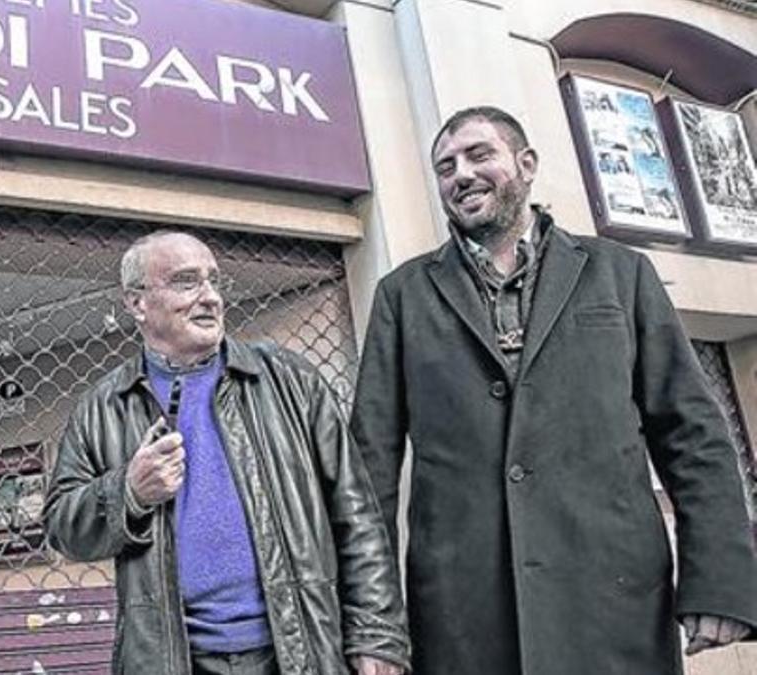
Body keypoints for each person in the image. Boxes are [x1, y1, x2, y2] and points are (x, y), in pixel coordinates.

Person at [350, 106, 757, 675]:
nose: (460, 174)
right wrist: (374, 625)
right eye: (445, 166)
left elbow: (694, 435)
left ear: (526, 164)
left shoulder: (622, 274)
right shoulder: (402, 296)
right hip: (464, 619)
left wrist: (719, 580)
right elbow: (368, 470)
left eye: (478, 154)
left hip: (617, 608)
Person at [45, 231, 410, 674]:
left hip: (296, 650)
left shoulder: (290, 382)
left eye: (214, 281)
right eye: (186, 282)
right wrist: (129, 491)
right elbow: (62, 528)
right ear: (137, 303)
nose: (210, 297)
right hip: (174, 661)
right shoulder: (103, 407)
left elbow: (357, 515)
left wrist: (376, 634)